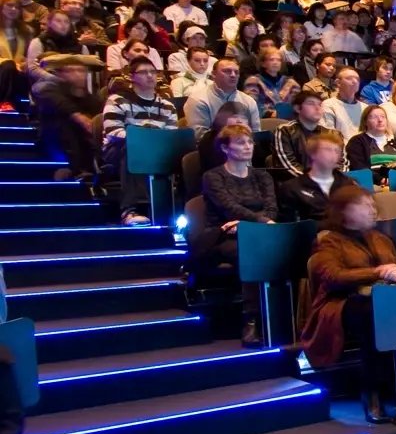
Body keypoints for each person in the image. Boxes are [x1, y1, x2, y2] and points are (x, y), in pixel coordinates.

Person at [300, 187, 396, 424]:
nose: (373, 210)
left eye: (372, 205)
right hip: (341, 303)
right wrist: (376, 272)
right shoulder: (328, 242)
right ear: (345, 212)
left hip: (385, 299)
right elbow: (333, 277)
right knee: (372, 314)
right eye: (365, 205)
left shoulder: (381, 238)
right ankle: (372, 393)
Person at [195, 124, 278, 346]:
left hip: (258, 233)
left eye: (250, 142)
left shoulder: (262, 176)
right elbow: (228, 208)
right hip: (224, 235)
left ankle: (285, 314)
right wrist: (261, 222)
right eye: (241, 142)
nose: (248, 146)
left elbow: (272, 209)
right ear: (225, 148)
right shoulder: (213, 176)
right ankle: (251, 319)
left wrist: (251, 224)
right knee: (252, 253)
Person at [100, 56, 179, 225]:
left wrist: (151, 142)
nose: (150, 76)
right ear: (131, 77)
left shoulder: (167, 105)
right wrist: (142, 139)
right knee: (133, 148)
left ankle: (175, 209)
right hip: (119, 150)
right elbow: (113, 131)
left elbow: (171, 134)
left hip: (155, 150)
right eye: (144, 72)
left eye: (153, 72)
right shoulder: (117, 100)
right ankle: (129, 210)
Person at [32, 53, 103, 180]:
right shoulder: (48, 89)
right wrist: (77, 116)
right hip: (56, 143)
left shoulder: (91, 99)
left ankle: (89, 169)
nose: (77, 74)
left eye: (81, 71)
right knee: (62, 122)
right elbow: (55, 101)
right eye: (71, 71)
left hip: (83, 145)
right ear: (61, 75)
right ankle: (71, 168)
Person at [277, 128, 347, 222]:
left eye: (337, 151)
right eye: (328, 150)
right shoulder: (292, 188)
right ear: (313, 154)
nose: (333, 155)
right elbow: (289, 226)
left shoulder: (347, 183)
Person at [183, 58, 260, 137]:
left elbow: (256, 134)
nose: (233, 75)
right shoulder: (198, 100)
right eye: (227, 71)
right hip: (211, 144)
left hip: (245, 143)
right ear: (214, 74)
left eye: (236, 72)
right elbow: (199, 137)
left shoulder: (249, 101)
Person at [346, 105, 396, 179]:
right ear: (365, 122)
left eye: (383, 117)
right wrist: (380, 180)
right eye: (374, 117)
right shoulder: (357, 142)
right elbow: (359, 168)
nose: (380, 120)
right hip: (373, 183)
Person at [321, 67, 365, 140]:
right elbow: (328, 137)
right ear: (338, 82)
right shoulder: (329, 105)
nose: (355, 81)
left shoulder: (365, 107)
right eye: (349, 78)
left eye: (357, 79)